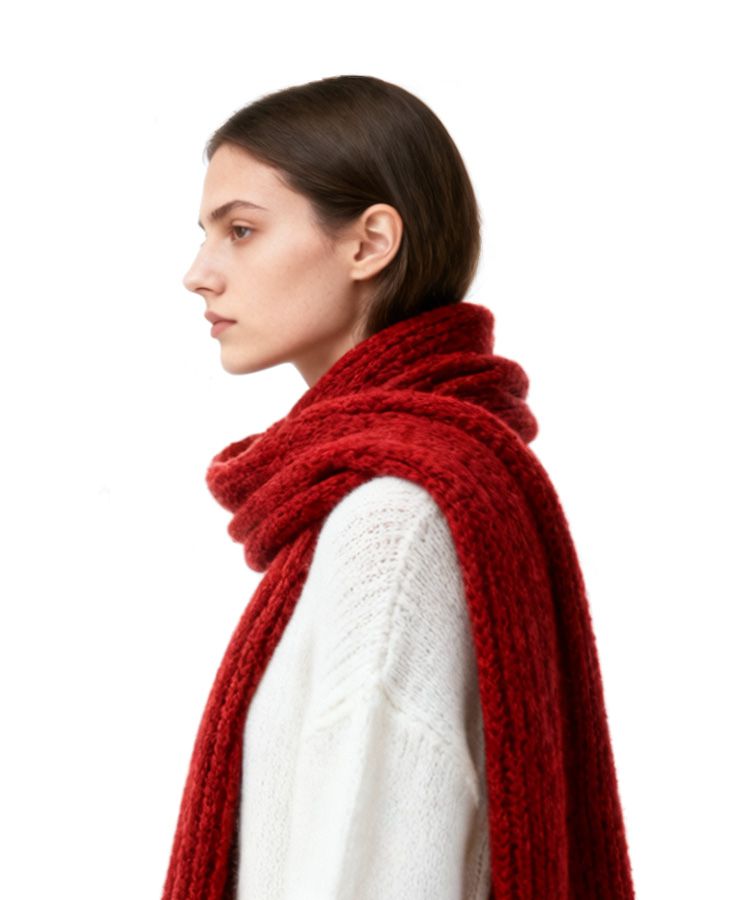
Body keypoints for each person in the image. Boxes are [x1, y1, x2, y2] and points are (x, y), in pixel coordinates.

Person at [163, 75, 635, 900]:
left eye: (241, 230)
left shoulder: (392, 520)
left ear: (370, 242)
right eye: (207, 235)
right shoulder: (418, 483)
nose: (198, 274)